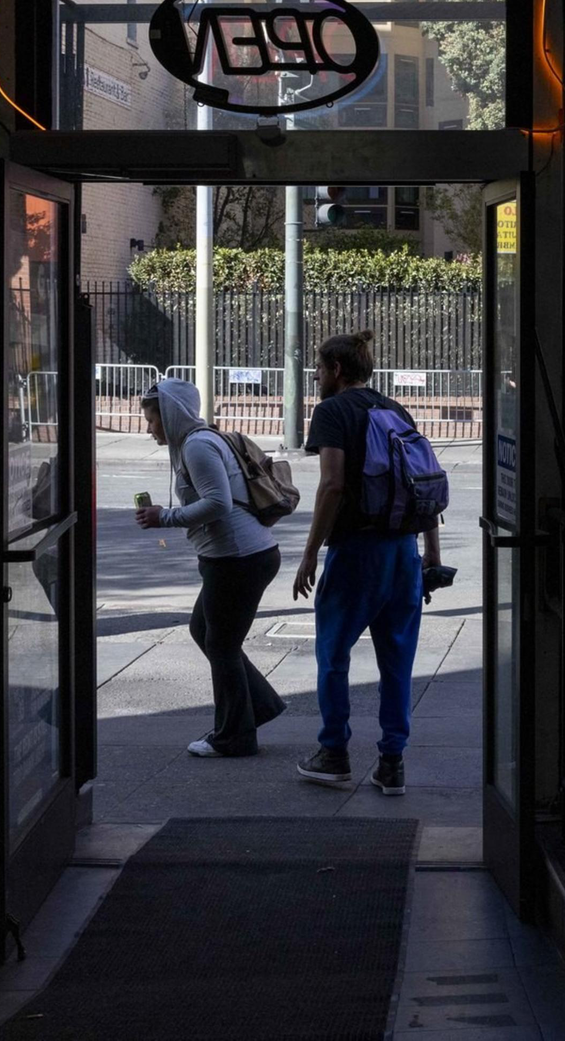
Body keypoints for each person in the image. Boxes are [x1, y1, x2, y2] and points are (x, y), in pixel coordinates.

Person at [292, 330, 443, 795]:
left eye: (318, 369)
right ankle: (391, 763)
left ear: (336, 370)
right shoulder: (393, 409)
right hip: (403, 554)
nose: (316, 377)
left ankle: (334, 753)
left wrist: (310, 551)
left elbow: (332, 485)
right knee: (397, 661)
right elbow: (422, 484)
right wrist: (431, 558)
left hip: (357, 553)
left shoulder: (332, 411)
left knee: (334, 655)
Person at [136, 378, 286, 757]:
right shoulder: (195, 442)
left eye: (153, 420)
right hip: (239, 556)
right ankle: (259, 706)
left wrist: (164, 516)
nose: (149, 427)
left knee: (221, 644)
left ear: (170, 415)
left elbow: (218, 504)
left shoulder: (198, 446)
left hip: (238, 559)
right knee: (204, 629)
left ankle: (234, 736)